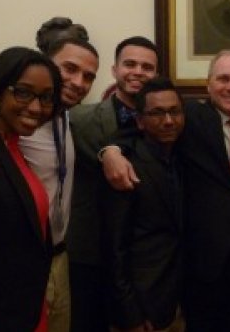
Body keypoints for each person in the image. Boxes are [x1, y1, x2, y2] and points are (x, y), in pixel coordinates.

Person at [0, 30, 100, 332]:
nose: (79, 82)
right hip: (0, 293)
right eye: (70, 69)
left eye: (89, 76)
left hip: (45, 271)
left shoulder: (55, 119)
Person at [101, 49, 230, 331]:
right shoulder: (186, 116)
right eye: (223, 79)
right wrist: (110, 150)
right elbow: (136, 130)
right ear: (208, 84)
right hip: (200, 270)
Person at [67, 36, 158, 332]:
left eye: (147, 67)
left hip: (146, 259)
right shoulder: (78, 118)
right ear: (114, 69)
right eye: (130, 64)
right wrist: (107, 150)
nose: (138, 72)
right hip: (91, 254)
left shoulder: (168, 122)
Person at [103, 77, 185, 332]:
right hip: (141, 305)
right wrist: (130, 314)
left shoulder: (185, 155)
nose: (169, 120)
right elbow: (114, 247)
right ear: (139, 120)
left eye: (174, 112)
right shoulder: (125, 167)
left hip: (179, 300)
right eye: (157, 113)